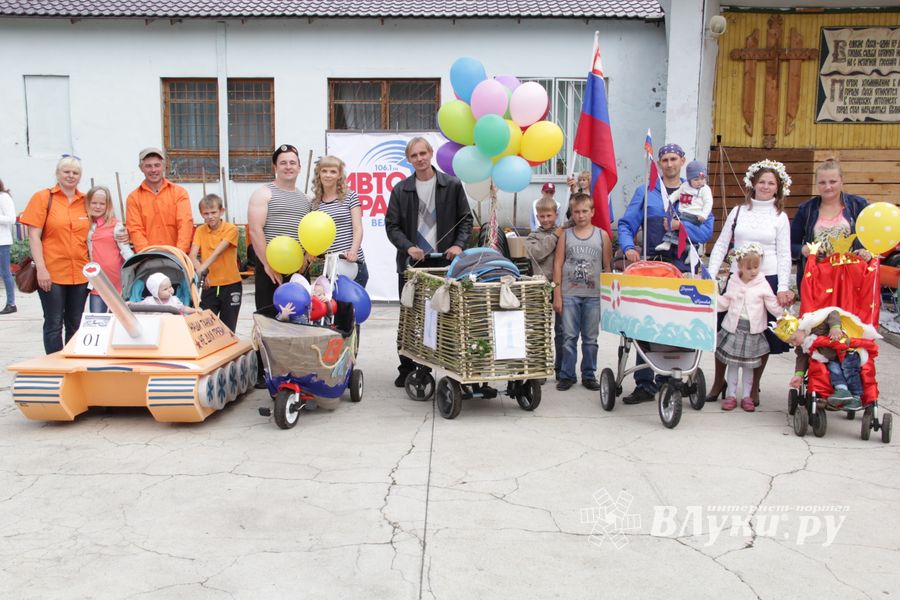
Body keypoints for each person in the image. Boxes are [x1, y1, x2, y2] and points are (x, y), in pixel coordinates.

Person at [617, 143, 714, 404]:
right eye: (664, 160)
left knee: (679, 323)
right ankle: (645, 383)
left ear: (682, 161)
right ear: (659, 163)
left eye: (674, 159)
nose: (669, 164)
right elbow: (626, 224)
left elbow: (706, 232)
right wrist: (628, 247)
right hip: (652, 266)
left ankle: (672, 378)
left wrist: (680, 228)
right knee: (646, 322)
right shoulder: (646, 191)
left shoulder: (697, 191)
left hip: (683, 267)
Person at [385, 136, 473, 389]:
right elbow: (392, 226)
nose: (420, 159)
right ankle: (407, 368)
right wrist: (408, 247)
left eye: (423, 153)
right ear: (408, 159)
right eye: (414, 155)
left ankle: (449, 364)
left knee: (448, 314)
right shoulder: (401, 190)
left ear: (431, 153)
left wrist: (458, 245)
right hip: (412, 264)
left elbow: (465, 219)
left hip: (445, 263)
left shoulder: (452, 184)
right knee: (410, 317)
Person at [706, 159, 795, 405]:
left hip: (767, 279)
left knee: (761, 335)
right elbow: (723, 243)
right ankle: (718, 382)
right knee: (724, 330)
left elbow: (785, 253)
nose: (766, 187)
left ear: (778, 188)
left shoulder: (780, 217)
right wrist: (710, 274)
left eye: (771, 183)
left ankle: (752, 388)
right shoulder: (738, 211)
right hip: (738, 278)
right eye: (762, 182)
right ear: (753, 184)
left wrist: (783, 287)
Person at [248, 143, 311, 387]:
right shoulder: (264, 193)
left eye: (292, 162)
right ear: (275, 167)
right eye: (283, 162)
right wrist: (266, 265)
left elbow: (309, 234)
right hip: (270, 270)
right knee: (267, 318)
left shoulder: (306, 199)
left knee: (297, 320)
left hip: (298, 271)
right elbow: (255, 230)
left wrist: (306, 257)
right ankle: (263, 371)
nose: (288, 167)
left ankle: (292, 367)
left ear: (299, 167)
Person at [19, 156, 90, 353]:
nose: (70, 176)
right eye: (66, 171)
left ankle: (72, 362)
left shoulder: (85, 201)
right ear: (57, 174)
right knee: (54, 322)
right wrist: (41, 269)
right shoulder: (43, 198)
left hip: (80, 273)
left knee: (76, 322)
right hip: (52, 272)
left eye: (75, 173)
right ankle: (54, 366)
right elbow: (34, 236)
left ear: (80, 177)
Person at [552, 193, 612, 392]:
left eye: (585, 211)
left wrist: (608, 297)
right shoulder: (566, 236)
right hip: (570, 293)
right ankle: (567, 374)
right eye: (576, 212)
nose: (581, 215)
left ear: (592, 212)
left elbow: (607, 268)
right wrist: (557, 293)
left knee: (590, 338)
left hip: (593, 295)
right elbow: (558, 264)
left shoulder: (601, 235)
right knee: (569, 336)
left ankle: (589, 373)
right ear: (572, 214)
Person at [715, 243, 784, 412]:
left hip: (752, 332)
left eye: (756, 267)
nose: (753, 271)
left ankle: (747, 395)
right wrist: (713, 300)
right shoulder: (733, 281)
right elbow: (725, 301)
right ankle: (731, 394)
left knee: (748, 367)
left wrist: (782, 311)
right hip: (734, 329)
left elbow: (771, 304)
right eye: (749, 268)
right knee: (732, 365)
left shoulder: (762, 283)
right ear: (739, 266)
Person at [790, 157, 871, 294]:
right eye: (822, 182)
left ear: (842, 181)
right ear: (816, 184)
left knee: (848, 316)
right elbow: (790, 245)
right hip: (817, 282)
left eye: (833, 181)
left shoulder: (859, 205)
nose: (828, 187)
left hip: (852, 280)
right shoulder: (806, 210)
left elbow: (872, 239)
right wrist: (803, 250)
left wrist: (867, 252)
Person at [774, 308, 879, 411]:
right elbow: (802, 358)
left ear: (800, 328)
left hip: (847, 350)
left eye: (794, 339)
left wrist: (835, 327)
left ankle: (856, 397)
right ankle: (842, 391)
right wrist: (799, 374)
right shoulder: (802, 345)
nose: (794, 343)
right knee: (834, 370)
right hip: (832, 358)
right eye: (791, 343)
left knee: (849, 369)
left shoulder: (816, 325)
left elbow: (832, 313)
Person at [310, 155, 368, 287]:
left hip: (352, 264)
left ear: (339, 175)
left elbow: (357, 228)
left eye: (333, 171)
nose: (328, 175)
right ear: (319, 174)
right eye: (324, 171)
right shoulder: (315, 204)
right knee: (331, 307)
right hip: (330, 268)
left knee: (353, 308)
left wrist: (353, 251)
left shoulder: (350, 196)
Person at [189, 193, 241, 333]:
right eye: (206, 213)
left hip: (230, 284)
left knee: (228, 328)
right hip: (209, 285)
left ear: (221, 211)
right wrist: (202, 274)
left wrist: (201, 270)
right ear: (201, 214)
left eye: (214, 212)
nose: (210, 216)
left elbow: (217, 252)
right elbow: (192, 255)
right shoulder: (200, 230)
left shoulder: (231, 229)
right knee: (206, 327)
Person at [125, 148, 194, 254]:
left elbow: (185, 224)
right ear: (141, 168)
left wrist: (179, 253)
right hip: (147, 258)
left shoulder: (179, 193)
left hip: (177, 256)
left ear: (164, 166)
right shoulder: (133, 198)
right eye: (148, 166)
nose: (153, 170)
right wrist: (148, 255)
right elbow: (135, 230)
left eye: (157, 165)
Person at [526, 196, 564, 379]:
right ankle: (539, 369)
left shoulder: (564, 233)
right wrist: (554, 237)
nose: (546, 219)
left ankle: (562, 369)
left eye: (549, 215)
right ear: (537, 217)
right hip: (540, 288)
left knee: (563, 331)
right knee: (539, 330)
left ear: (556, 215)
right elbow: (537, 253)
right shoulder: (533, 236)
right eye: (542, 216)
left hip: (561, 287)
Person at [86, 185, 133, 313]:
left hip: (116, 282)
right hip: (97, 281)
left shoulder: (115, 225)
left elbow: (126, 250)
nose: (97, 206)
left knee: (119, 319)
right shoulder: (86, 226)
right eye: (94, 203)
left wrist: (136, 264)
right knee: (98, 318)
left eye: (102, 204)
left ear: (108, 206)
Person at [655, 160, 713, 253]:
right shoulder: (685, 186)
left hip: (695, 215)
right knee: (676, 227)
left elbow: (708, 203)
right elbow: (676, 194)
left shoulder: (705, 189)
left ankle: (668, 242)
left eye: (703, 178)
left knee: (677, 225)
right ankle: (690, 249)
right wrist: (669, 202)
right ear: (689, 179)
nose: (700, 182)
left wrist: (704, 215)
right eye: (696, 179)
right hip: (683, 213)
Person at [0, 178, 16, 314]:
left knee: (5, 273)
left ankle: (11, 303)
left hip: (2, 242)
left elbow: (12, 218)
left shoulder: (4, 197)